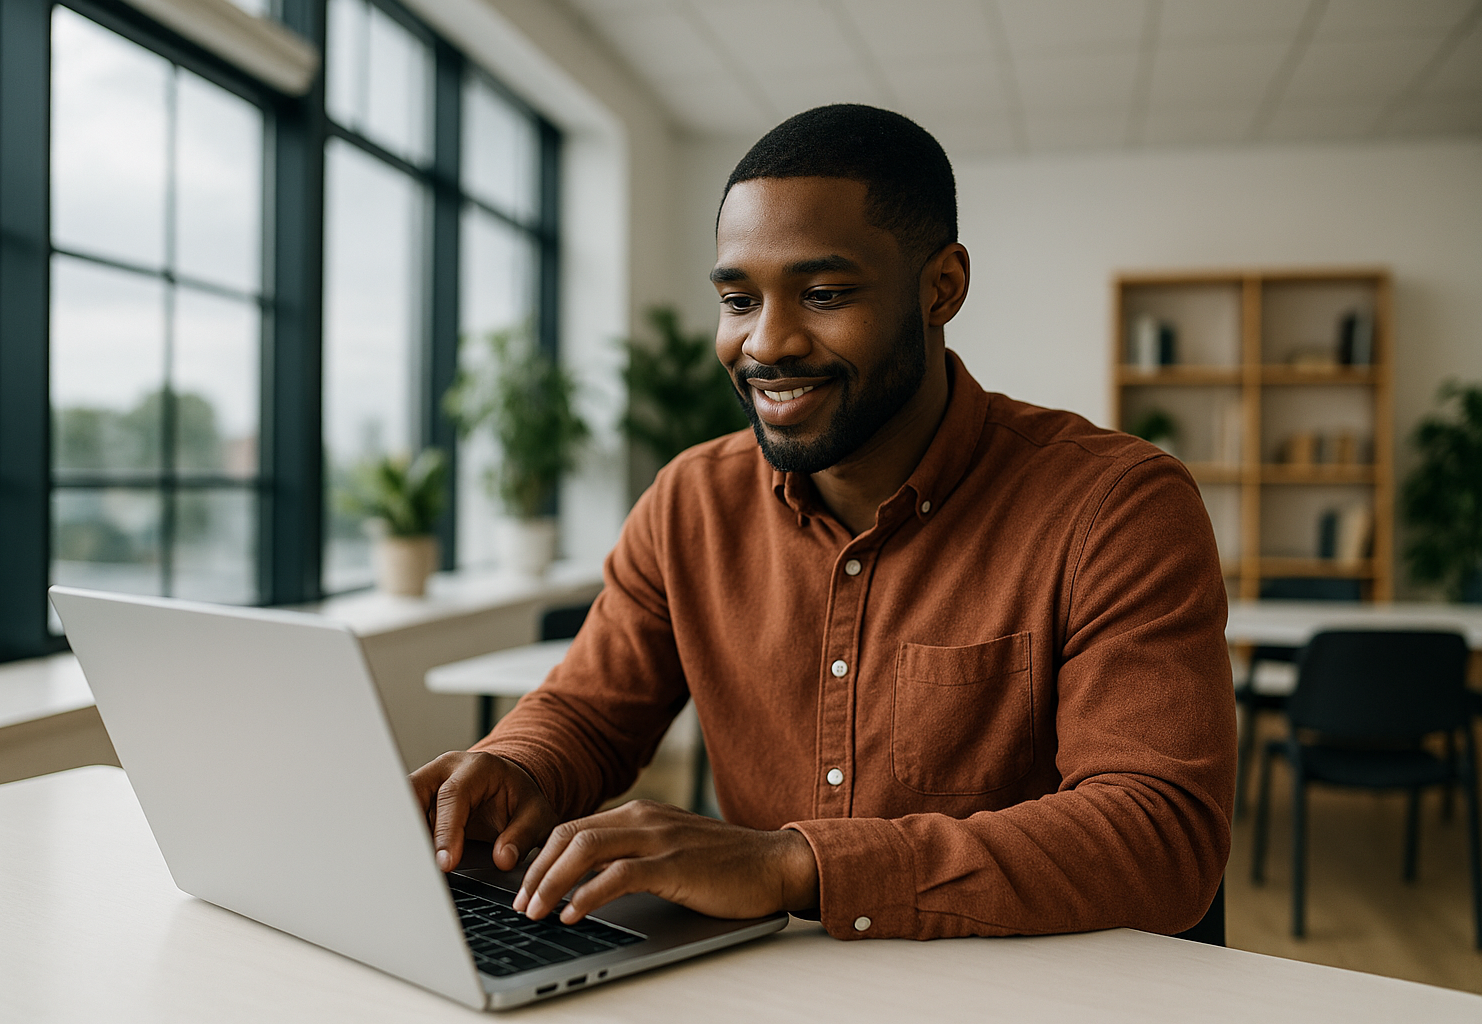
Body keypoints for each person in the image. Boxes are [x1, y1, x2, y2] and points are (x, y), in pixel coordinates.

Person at [410, 104, 1235, 941]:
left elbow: (1161, 835)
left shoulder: (1116, 506)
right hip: (780, 987)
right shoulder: (690, 501)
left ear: (941, 287)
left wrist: (793, 865)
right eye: (738, 298)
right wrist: (513, 767)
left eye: (824, 294)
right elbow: (589, 712)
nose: (767, 343)